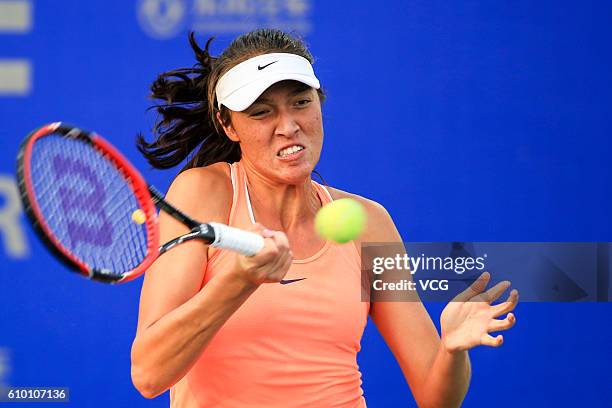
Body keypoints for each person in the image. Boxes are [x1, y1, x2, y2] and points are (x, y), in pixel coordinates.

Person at [130, 29, 519, 407]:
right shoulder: (204, 193)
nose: (288, 126)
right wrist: (237, 281)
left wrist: (451, 349)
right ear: (228, 124)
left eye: (300, 102)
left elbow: (437, 399)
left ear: (320, 101)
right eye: (261, 112)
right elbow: (149, 374)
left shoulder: (370, 222)